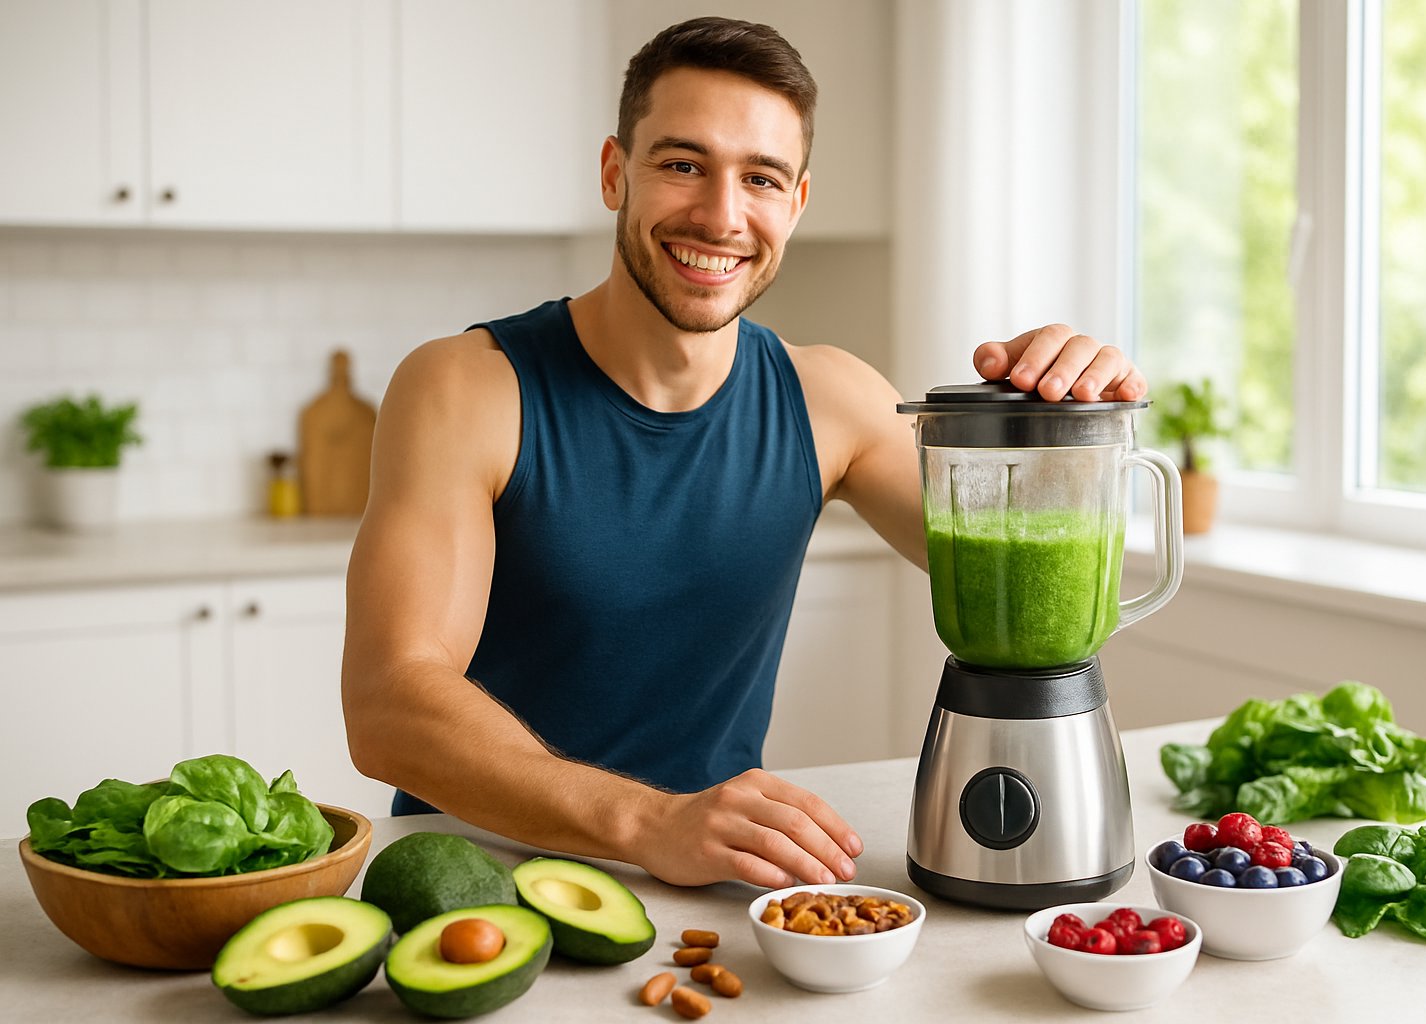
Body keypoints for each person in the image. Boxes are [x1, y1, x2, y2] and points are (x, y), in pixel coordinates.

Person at [340, 16, 1146, 891]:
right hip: (471, 877)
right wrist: (648, 820)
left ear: (795, 203)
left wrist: (1075, 424)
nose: (722, 216)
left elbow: (1037, 598)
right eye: (683, 165)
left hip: (701, 881)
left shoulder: (832, 400)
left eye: (760, 178)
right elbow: (389, 706)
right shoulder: (468, 388)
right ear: (616, 174)